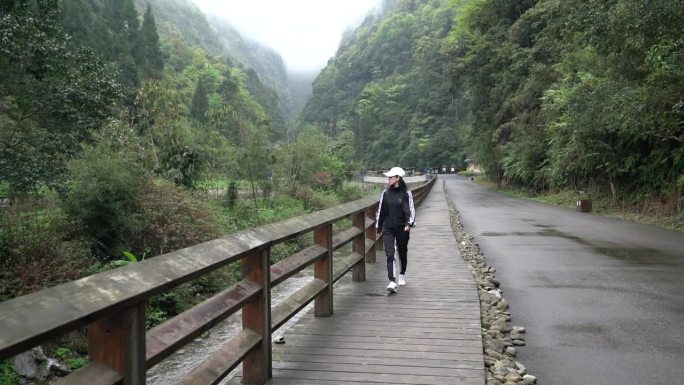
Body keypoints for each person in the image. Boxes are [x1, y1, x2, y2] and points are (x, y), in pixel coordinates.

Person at [375, 167, 415, 293]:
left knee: (402, 252)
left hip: (402, 227)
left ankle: (402, 274)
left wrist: (409, 223)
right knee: (390, 254)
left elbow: (411, 210)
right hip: (388, 228)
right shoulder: (385, 193)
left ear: (398, 178)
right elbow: (381, 210)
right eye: (388, 177)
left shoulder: (406, 193)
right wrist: (379, 226)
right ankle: (392, 281)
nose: (388, 179)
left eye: (391, 177)